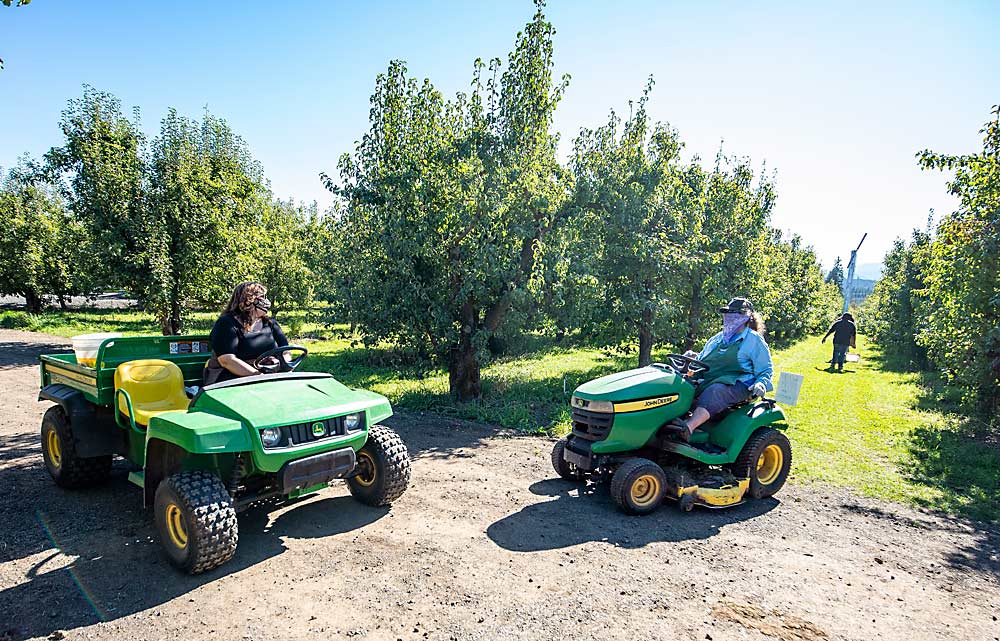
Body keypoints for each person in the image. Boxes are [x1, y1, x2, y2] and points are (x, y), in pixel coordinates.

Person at [676, 297, 773, 441]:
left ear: (746, 317)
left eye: (735, 314)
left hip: (740, 384)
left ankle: (688, 428)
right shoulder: (717, 339)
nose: (730, 317)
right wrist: (692, 358)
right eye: (728, 313)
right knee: (680, 385)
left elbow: (765, 369)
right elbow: (702, 359)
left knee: (715, 391)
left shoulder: (754, 340)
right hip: (711, 378)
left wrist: (761, 383)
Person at [204, 281, 289, 385]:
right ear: (248, 300)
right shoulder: (226, 323)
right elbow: (227, 360)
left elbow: (286, 350)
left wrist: (283, 365)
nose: (266, 301)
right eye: (261, 297)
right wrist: (258, 376)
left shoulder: (270, 323)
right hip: (230, 379)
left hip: (267, 377)